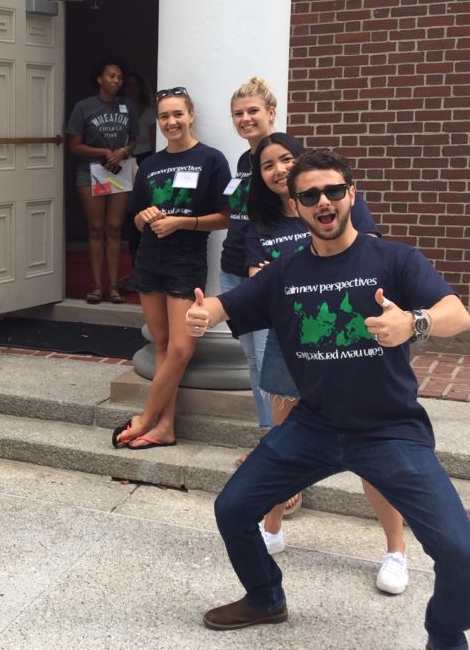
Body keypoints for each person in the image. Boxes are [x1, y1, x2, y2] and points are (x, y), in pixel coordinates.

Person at [188, 149, 470, 650]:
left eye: (333, 191)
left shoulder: (395, 259)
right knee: (233, 508)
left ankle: (446, 635)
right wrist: (202, 313)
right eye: (310, 194)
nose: (324, 201)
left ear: (351, 196)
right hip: (313, 426)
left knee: (461, 552)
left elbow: (458, 313)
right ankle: (265, 598)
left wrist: (413, 322)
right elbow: (226, 305)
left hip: (389, 430)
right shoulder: (284, 273)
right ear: (296, 206)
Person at [246, 134, 409, 593]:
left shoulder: (337, 201)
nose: (278, 170)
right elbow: (260, 279)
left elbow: (367, 258)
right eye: (268, 165)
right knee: (283, 443)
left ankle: (396, 550)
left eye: (286, 160)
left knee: (374, 454)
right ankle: (272, 530)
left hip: (355, 341)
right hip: (290, 342)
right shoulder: (261, 220)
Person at [112, 86, 230, 449]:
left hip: (186, 261)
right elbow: (134, 221)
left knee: (182, 349)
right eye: (164, 116)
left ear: (191, 115)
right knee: (162, 344)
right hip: (150, 260)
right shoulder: (150, 165)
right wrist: (145, 217)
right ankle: (165, 427)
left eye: (178, 114)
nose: (171, 121)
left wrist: (184, 223)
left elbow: (226, 217)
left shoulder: (211, 160)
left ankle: (147, 417)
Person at [219, 77, 277, 442]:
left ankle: (279, 444)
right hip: (232, 270)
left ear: (271, 112)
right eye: (238, 113)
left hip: (264, 272)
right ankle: (267, 437)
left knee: (271, 361)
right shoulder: (244, 158)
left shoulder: (281, 158)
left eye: (253, 111)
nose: (245, 118)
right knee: (254, 361)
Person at [66, 57, 139, 304]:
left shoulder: (127, 105)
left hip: (119, 170)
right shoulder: (84, 107)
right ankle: (96, 286)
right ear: (99, 79)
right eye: (111, 76)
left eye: (119, 77)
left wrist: (123, 151)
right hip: (91, 172)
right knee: (96, 228)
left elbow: (134, 139)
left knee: (115, 227)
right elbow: (74, 146)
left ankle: (114, 286)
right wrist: (104, 152)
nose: (116, 81)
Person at [122, 71, 156, 265]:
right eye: (127, 85)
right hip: (121, 162)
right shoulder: (118, 113)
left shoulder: (150, 112)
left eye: (134, 85)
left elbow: (153, 144)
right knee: (128, 215)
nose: (131, 90)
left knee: (142, 210)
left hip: (144, 161)